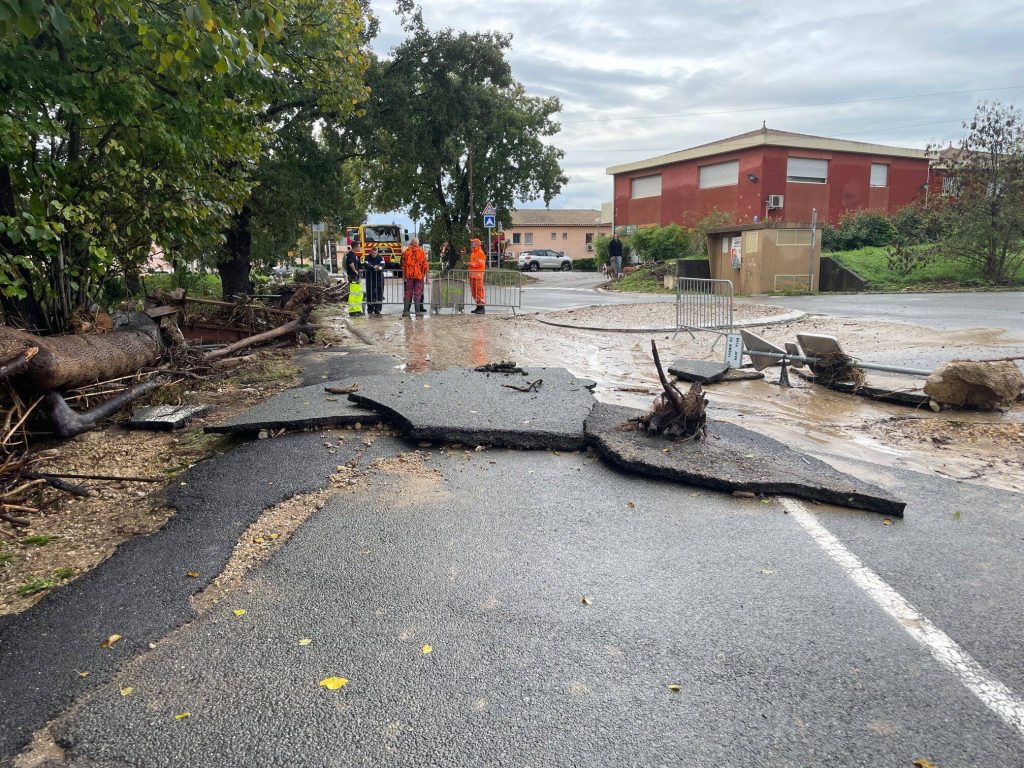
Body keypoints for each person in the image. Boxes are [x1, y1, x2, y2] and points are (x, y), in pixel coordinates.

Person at [401, 237, 429, 317]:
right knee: (417, 294)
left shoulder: (406, 252)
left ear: (411, 243)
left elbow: (403, 266)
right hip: (418, 276)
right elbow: (425, 266)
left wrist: (404, 277)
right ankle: (417, 312)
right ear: (418, 243)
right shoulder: (422, 252)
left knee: (408, 293)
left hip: (409, 276)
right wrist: (427, 278)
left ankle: (406, 312)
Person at [364, 248, 385, 315]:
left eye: (375, 253)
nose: (374, 255)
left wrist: (379, 268)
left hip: (379, 279)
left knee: (379, 294)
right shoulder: (367, 257)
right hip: (370, 279)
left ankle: (378, 309)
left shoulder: (380, 257)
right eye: (373, 253)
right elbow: (366, 265)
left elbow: (383, 265)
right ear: (370, 252)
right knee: (370, 294)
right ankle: (370, 309)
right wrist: (373, 267)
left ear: (377, 252)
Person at [468, 237, 486, 314]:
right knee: (474, 292)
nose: (471, 244)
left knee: (479, 291)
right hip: (473, 276)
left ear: (476, 244)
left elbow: (481, 263)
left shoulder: (480, 252)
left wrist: (470, 264)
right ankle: (478, 307)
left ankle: (481, 308)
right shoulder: (473, 253)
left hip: (478, 276)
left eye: (472, 242)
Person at [344, 246, 363, 316]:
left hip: (356, 277)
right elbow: (350, 263)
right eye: (359, 246)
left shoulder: (354, 254)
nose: (360, 248)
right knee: (353, 294)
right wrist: (355, 270)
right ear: (355, 247)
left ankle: (357, 310)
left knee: (359, 294)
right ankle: (352, 311)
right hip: (353, 276)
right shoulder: (350, 254)